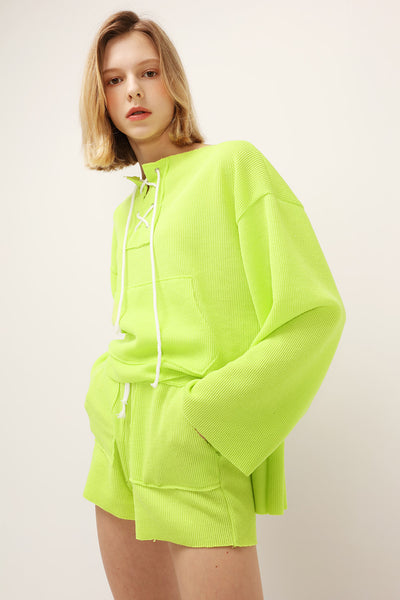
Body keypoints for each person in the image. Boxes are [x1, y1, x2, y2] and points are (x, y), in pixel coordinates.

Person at [79, 9, 346, 600]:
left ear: (172, 80)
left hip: (195, 443)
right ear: (103, 100)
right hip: (118, 444)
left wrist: (208, 414)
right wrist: (103, 395)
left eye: (148, 72)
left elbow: (315, 313)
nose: (133, 90)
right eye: (115, 80)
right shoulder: (126, 213)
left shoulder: (233, 166)